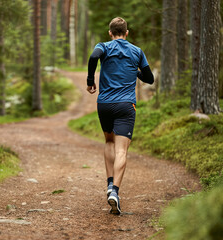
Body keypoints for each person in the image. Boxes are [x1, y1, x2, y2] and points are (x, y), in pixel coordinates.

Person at [86, 17, 154, 215]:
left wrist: (91, 80)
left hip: (104, 104)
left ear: (110, 33)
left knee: (108, 142)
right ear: (127, 33)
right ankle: (115, 191)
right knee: (121, 150)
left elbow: (93, 57)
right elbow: (149, 78)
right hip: (126, 106)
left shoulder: (104, 47)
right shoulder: (137, 51)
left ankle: (108, 185)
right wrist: (136, 71)